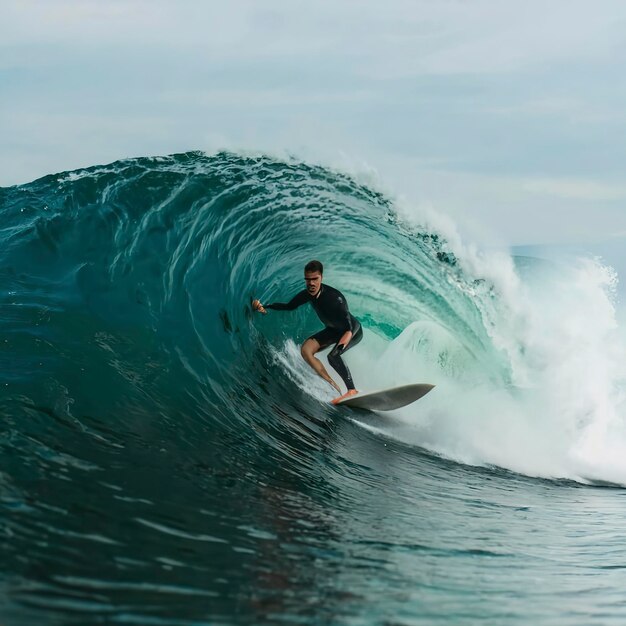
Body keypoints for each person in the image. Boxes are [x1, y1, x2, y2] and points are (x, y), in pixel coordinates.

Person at [252, 260, 363, 404]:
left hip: (352, 331)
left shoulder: (335, 298)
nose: (311, 283)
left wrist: (341, 345)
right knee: (306, 350)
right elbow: (288, 306)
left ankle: (351, 390)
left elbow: (348, 327)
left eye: (315, 279)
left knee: (333, 356)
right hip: (333, 330)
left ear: (321, 278)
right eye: (308, 280)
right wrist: (265, 306)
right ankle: (332, 386)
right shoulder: (307, 294)